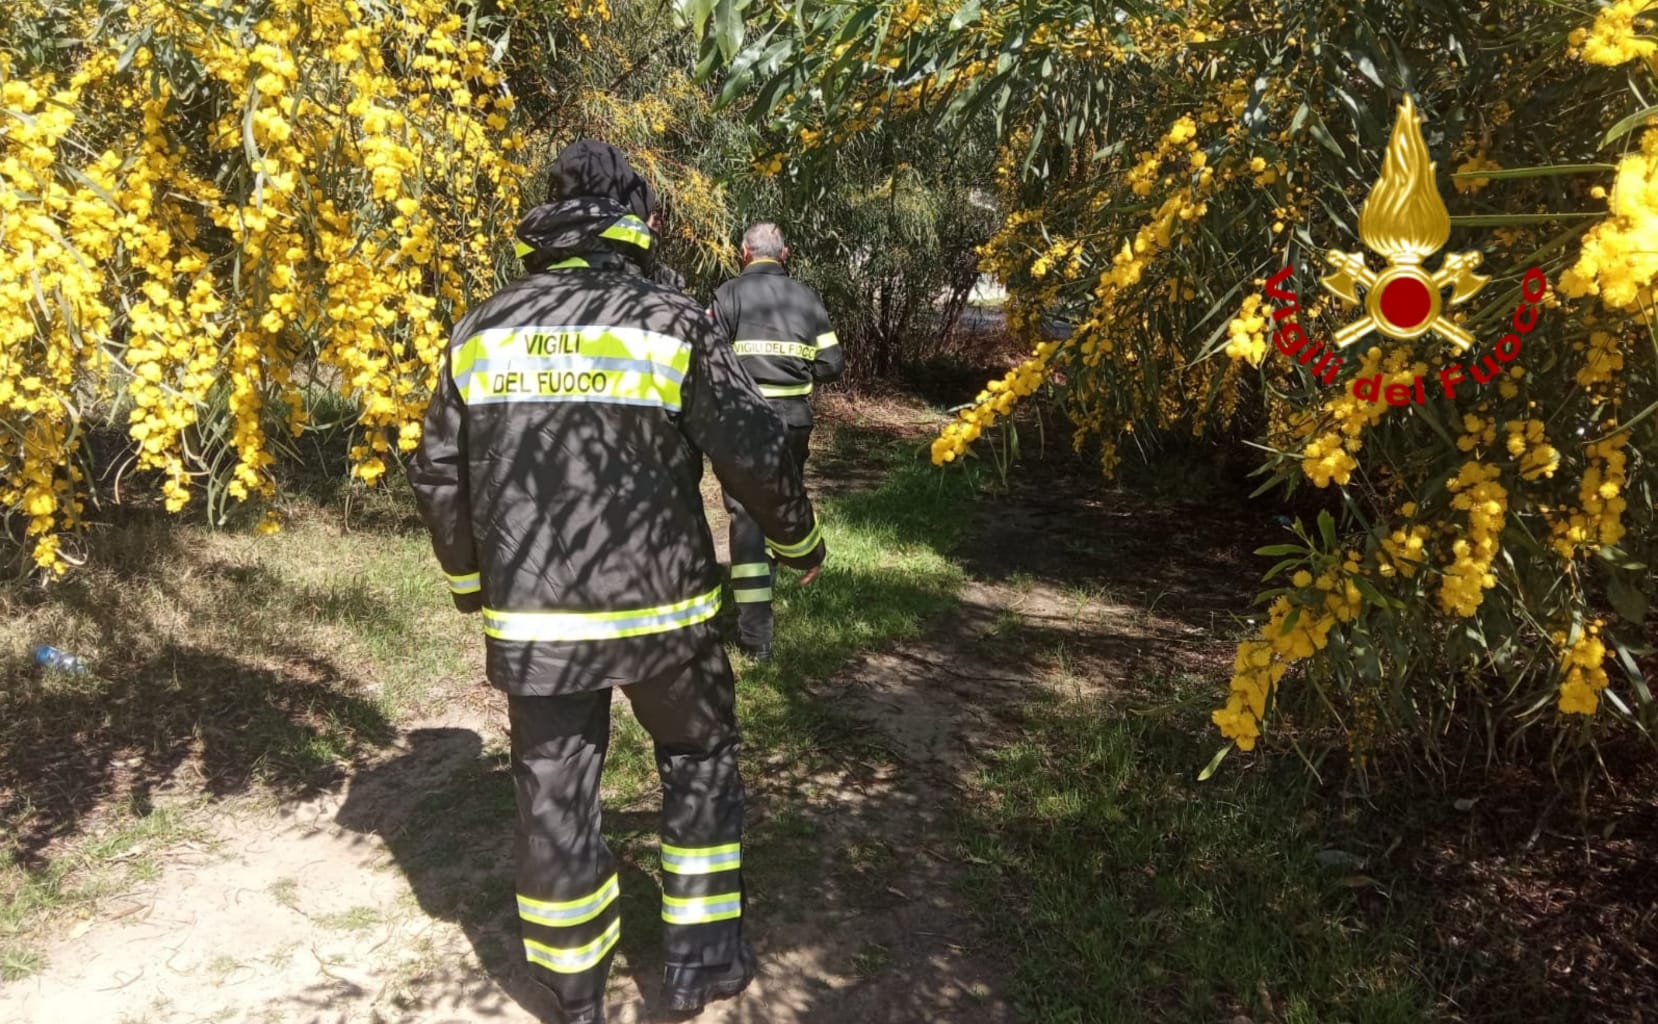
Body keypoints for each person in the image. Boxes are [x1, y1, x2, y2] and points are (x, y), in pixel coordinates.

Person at [410, 139, 825, 1024]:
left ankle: (573, 991)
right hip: (667, 617)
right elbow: (750, 450)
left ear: (546, 224)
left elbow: (439, 475)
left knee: (554, 787)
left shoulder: (480, 328)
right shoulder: (672, 322)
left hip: (536, 624)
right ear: (637, 223)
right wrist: (797, 541)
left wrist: (469, 584)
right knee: (699, 759)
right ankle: (701, 965)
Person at [708, 221, 844, 661]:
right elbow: (831, 363)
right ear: (784, 255)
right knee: (782, 503)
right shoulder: (806, 298)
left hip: (742, 424)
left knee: (746, 514)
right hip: (793, 422)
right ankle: (796, 562)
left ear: (744, 253)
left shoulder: (727, 295)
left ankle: (755, 635)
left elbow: (704, 354)